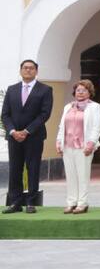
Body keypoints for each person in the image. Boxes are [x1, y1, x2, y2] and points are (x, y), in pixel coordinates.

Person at [2, 60, 53, 214]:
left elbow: (45, 114)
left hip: (34, 137)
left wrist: (26, 131)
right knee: (15, 169)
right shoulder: (12, 90)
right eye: (25, 68)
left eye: (31, 68)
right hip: (14, 137)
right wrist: (12, 131)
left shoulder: (45, 90)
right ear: (20, 70)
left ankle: (31, 202)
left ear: (36, 71)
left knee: (33, 169)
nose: (28, 70)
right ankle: (15, 202)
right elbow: (5, 114)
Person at [54, 80, 100, 214]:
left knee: (83, 175)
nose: (80, 92)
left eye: (84, 90)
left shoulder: (95, 107)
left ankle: (82, 203)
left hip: (84, 146)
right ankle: (71, 202)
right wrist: (58, 142)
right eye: (78, 90)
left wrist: (91, 144)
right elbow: (61, 126)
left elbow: (96, 127)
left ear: (89, 92)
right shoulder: (68, 106)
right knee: (70, 175)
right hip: (68, 145)